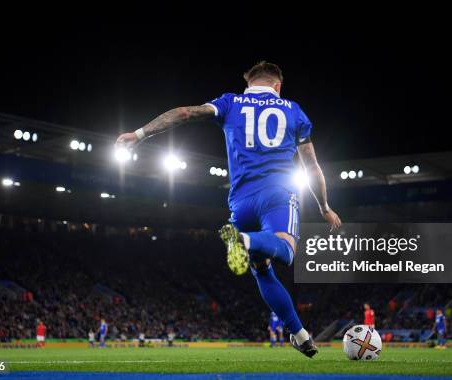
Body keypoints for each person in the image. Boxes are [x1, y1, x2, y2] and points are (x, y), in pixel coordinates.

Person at [116, 61, 341, 358]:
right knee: (285, 251)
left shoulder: (229, 102)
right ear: (277, 86)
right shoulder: (293, 110)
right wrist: (324, 206)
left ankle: (299, 335)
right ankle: (246, 240)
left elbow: (184, 113)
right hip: (277, 194)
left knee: (261, 270)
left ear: (249, 83)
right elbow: (311, 166)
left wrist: (140, 134)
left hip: (240, 200)